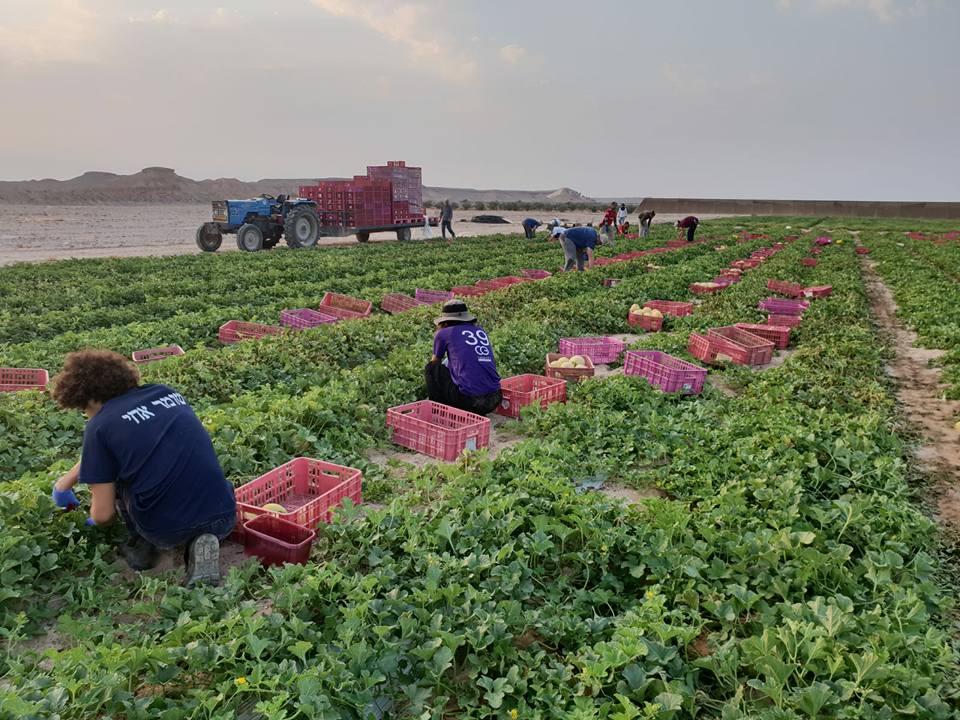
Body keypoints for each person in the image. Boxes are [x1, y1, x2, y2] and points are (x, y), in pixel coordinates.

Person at [49, 350, 237, 587]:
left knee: (117, 477)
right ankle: (199, 542)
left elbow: (103, 515)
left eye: (83, 410)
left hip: (165, 529)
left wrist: (94, 520)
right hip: (224, 514)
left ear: (89, 398)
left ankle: (143, 550)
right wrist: (65, 482)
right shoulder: (165, 393)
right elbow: (117, 444)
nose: (86, 415)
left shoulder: (100, 425)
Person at [425, 300, 502, 416]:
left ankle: (439, 411)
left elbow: (435, 362)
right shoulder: (480, 331)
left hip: (469, 402)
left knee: (431, 369)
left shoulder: (444, 333)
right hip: (495, 398)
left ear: (446, 320)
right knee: (450, 361)